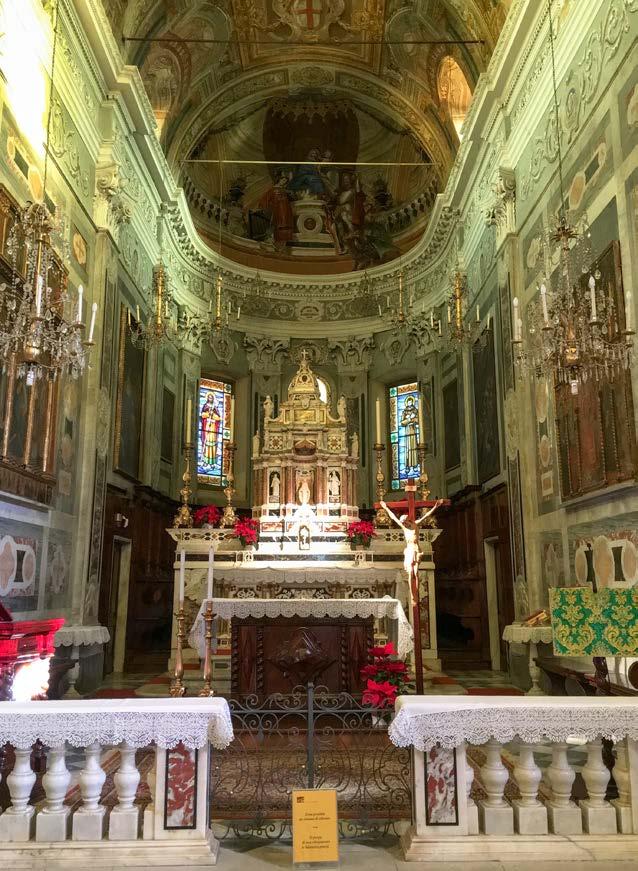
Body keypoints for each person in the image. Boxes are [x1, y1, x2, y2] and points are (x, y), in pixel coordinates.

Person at [380, 498, 442, 609]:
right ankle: (413, 595)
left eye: (404, 522)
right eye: (403, 522)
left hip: (416, 550)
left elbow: (426, 516)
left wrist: (436, 506)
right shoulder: (404, 528)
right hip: (409, 551)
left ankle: (416, 594)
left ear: (408, 520)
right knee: (410, 574)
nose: (404, 524)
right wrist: (385, 508)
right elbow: (393, 518)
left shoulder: (415, 524)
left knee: (415, 573)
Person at [200, 394, 222, 469]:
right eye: (209, 398)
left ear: (213, 399)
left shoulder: (215, 407)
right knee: (206, 444)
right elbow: (202, 415)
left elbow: (219, 418)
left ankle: (212, 462)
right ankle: (205, 461)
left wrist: (213, 415)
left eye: (211, 398)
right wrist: (208, 414)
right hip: (207, 427)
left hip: (213, 429)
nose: (210, 399)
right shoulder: (205, 406)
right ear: (207, 398)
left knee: (213, 445)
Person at [400, 395, 419, 474]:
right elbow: (402, 423)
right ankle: (407, 466)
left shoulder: (415, 410)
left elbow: (418, 420)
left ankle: (415, 465)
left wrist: (413, 419)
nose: (409, 403)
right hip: (407, 432)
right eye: (408, 402)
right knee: (408, 449)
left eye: (411, 402)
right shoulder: (404, 412)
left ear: (412, 402)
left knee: (414, 448)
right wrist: (408, 419)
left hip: (413, 431)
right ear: (407, 403)